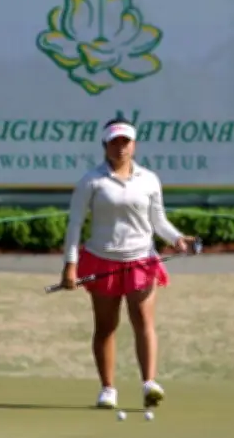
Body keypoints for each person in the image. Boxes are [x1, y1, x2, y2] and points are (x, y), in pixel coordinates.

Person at [60, 116, 198, 410]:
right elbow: (74, 225)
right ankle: (108, 389)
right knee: (106, 327)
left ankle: (149, 384)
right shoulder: (91, 181)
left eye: (126, 141)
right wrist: (70, 264)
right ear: (105, 145)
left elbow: (158, 220)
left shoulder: (149, 179)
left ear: (134, 145)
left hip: (141, 260)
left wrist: (177, 240)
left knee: (144, 322)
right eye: (114, 142)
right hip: (102, 260)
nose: (120, 147)